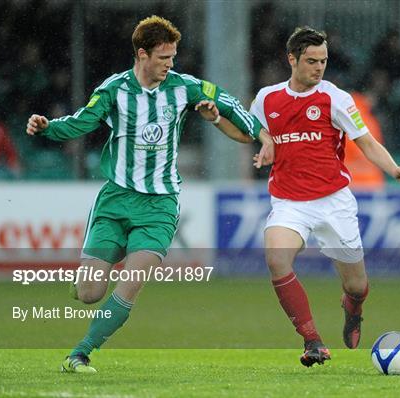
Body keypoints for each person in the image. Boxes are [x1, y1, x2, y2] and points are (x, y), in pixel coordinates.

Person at [26, 16, 272, 374]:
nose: (170, 64)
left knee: (132, 282)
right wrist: (48, 129)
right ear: (142, 54)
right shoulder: (114, 89)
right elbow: (83, 120)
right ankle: (81, 285)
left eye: (173, 57)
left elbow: (227, 101)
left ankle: (80, 353)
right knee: (90, 293)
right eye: (163, 58)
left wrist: (260, 133)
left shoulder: (184, 86)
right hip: (115, 200)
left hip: (159, 204)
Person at [249, 27, 400, 367]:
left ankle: (352, 309)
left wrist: (393, 168)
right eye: (311, 61)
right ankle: (312, 341)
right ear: (291, 59)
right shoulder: (267, 98)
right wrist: (263, 142)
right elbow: (251, 128)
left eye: (323, 61)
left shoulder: (336, 98)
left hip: (333, 201)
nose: (319, 67)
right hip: (289, 201)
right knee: (277, 260)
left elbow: (366, 141)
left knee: (357, 284)